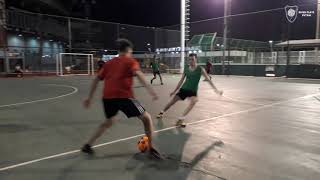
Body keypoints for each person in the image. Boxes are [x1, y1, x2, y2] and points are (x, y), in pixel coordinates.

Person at [81, 39, 161, 158]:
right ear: (129, 50)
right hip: (125, 97)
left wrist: (89, 98)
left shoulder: (109, 63)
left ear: (119, 50)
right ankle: (151, 148)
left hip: (107, 98)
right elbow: (138, 74)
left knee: (109, 121)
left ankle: (88, 145)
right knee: (147, 118)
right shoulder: (130, 61)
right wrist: (151, 90)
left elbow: (97, 79)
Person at [157, 53, 223, 127]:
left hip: (193, 91)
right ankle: (162, 112)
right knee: (172, 102)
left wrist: (216, 90)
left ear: (196, 59)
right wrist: (174, 91)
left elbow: (208, 80)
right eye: (190, 60)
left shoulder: (200, 69)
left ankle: (180, 119)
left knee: (194, 101)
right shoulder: (186, 67)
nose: (191, 61)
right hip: (184, 89)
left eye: (193, 59)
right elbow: (181, 80)